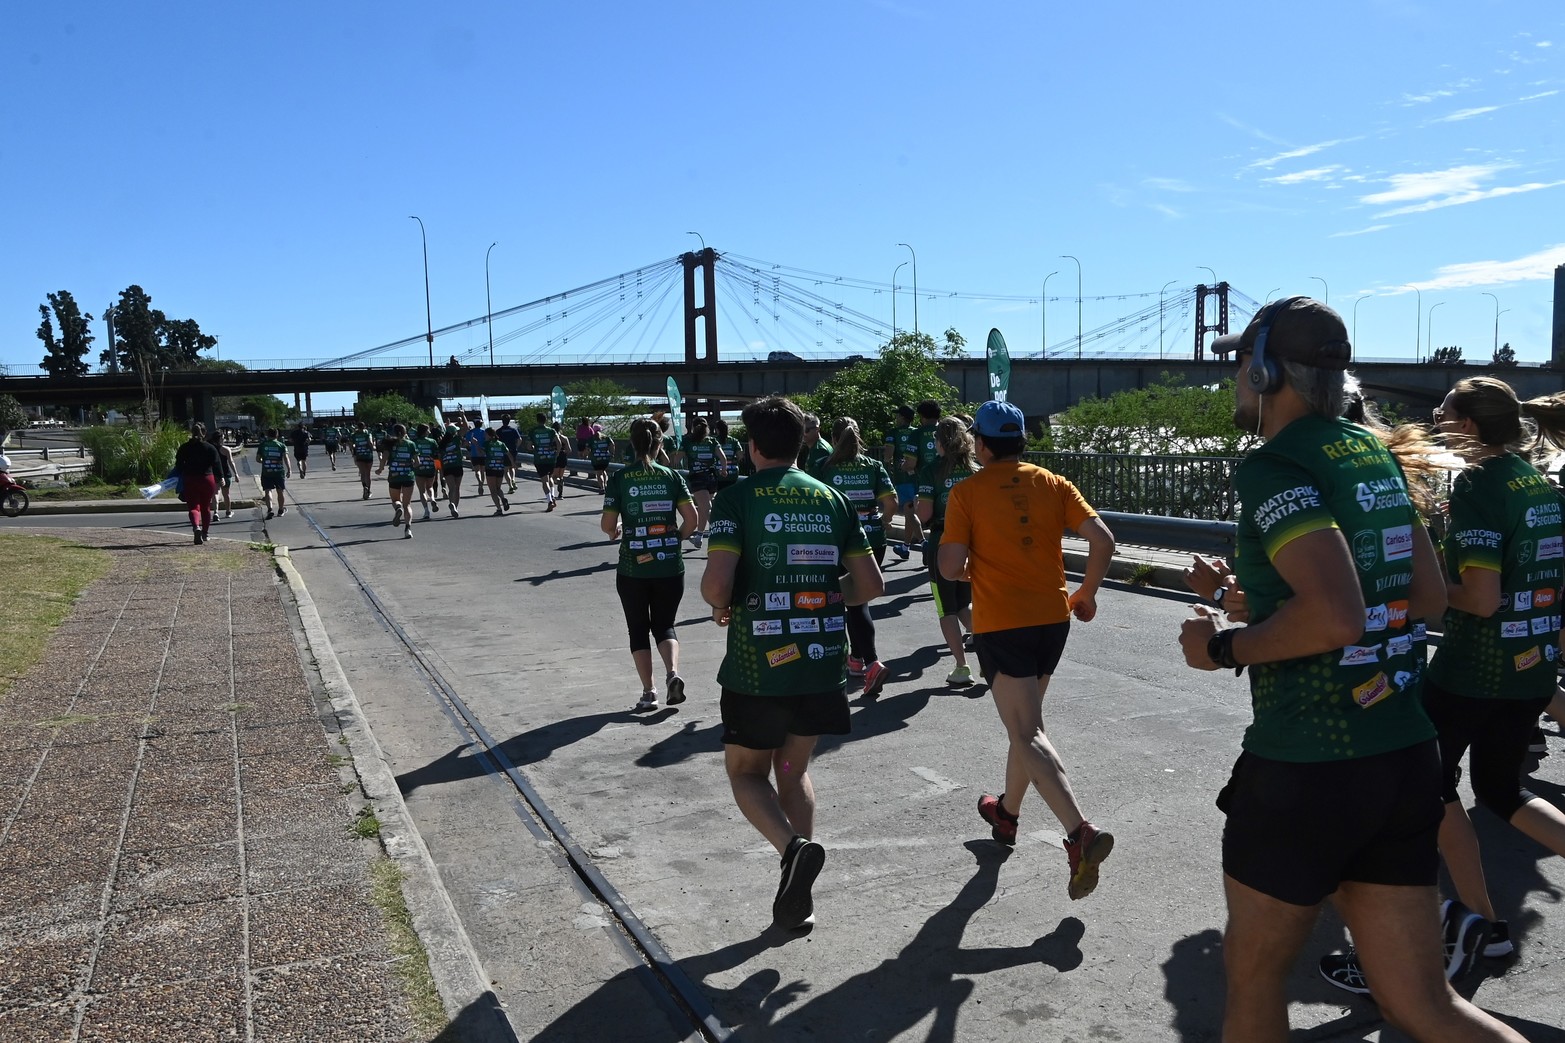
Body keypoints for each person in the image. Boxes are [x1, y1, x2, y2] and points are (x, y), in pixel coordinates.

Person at [1181, 297, 1524, 1042]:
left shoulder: (1274, 466)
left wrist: (1221, 647)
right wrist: (1269, 603)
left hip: (1308, 766)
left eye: (1241, 364)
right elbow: (1428, 596)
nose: (1237, 380)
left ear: (1265, 368)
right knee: (1424, 1005)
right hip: (1402, 756)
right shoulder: (1370, 450)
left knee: (1251, 981)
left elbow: (1333, 614)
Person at [701, 395, 884, 931]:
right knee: (792, 767)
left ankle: (792, 850)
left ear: (751, 446)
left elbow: (717, 584)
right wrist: (820, 596)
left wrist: (723, 603)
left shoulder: (735, 499)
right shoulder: (831, 498)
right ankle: (797, 889)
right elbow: (869, 585)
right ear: (802, 443)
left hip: (758, 667)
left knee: (746, 772)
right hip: (823, 660)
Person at [940, 400, 1116, 899]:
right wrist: (1087, 593)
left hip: (1003, 624)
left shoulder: (967, 492)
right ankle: (1007, 816)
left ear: (981, 443)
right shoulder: (1054, 482)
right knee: (1029, 726)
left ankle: (1080, 832)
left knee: (1026, 730)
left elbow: (950, 567)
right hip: (1052, 620)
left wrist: (973, 567)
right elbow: (1102, 540)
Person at [602, 418, 699, 710]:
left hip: (633, 568)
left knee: (638, 629)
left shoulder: (620, 478)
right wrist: (674, 541)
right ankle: (673, 673)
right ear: (660, 444)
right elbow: (692, 521)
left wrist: (614, 530)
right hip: (670, 566)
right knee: (665, 625)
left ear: (632, 444)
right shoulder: (672, 477)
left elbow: (607, 525)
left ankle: (649, 692)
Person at [814, 417, 898, 697]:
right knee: (858, 600)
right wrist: (882, 523)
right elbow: (891, 503)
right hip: (873, 538)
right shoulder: (873, 466)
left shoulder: (824, 467)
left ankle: (870, 662)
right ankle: (857, 660)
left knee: (850, 603)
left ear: (833, 439)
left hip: (837, 542)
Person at [916, 416, 979, 686]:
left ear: (939, 442)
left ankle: (962, 666)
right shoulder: (976, 470)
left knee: (947, 609)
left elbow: (925, 513)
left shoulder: (931, 471)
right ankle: (990, 657)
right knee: (966, 603)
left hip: (943, 544)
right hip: (974, 545)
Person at [677, 416, 728, 550]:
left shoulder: (688, 440)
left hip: (697, 477)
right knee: (706, 507)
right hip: (711, 477)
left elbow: (677, 459)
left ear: (693, 427)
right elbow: (723, 458)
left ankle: (699, 536)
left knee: (705, 507)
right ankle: (719, 533)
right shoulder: (712, 441)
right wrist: (723, 469)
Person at [884, 404, 921, 561]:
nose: (896, 418)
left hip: (903, 477)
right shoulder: (917, 433)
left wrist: (888, 461)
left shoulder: (893, 433)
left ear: (903, 417)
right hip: (919, 478)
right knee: (909, 513)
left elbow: (888, 455)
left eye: (898, 415)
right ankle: (905, 547)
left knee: (909, 512)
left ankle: (923, 543)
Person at [175, 421, 221, 544]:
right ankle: (205, 534)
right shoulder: (210, 448)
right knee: (206, 507)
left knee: (193, 507)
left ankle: (196, 527)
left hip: (190, 479)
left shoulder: (184, 447)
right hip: (207, 479)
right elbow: (217, 465)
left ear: (191, 432)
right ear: (205, 433)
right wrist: (220, 478)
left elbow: (178, 465)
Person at [377, 423, 417, 538]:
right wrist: (410, 465)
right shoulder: (411, 444)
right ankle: (408, 529)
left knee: (395, 500)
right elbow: (417, 462)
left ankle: (397, 508)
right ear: (405, 433)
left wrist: (380, 469)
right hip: (408, 476)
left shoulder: (389, 445)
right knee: (408, 505)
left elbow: (383, 459)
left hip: (394, 476)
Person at [528, 413, 565, 511]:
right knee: (550, 478)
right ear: (546, 420)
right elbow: (559, 443)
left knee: (544, 481)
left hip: (540, 459)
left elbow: (528, 446)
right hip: (551, 459)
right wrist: (556, 454)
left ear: (537, 420)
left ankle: (549, 501)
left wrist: (533, 448)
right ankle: (552, 495)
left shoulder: (533, 431)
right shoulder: (551, 431)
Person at [256, 427, 292, 519]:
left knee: (268, 491)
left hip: (266, 471)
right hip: (279, 472)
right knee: (280, 491)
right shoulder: (281, 445)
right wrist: (289, 469)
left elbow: (258, 459)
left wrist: (265, 461)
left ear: (267, 435)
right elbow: (286, 458)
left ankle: (270, 509)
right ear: (277, 435)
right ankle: (280, 510)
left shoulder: (263, 445)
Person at [412, 423, 441, 520]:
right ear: (425, 431)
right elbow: (437, 456)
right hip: (430, 467)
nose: (429, 431)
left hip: (419, 468)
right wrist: (438, 468)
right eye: (428, 430)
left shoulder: (414, 442)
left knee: (422, 491)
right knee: (430, 487)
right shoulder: (432, 442)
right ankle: (432, 499)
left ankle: (426, 511)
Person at [484, 427, 515, 515]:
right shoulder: (501, 444)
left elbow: (481, 452)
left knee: (493, 490)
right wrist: (513, 463)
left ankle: (499, 509)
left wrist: (475, 444)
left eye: (485, 434)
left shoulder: (487, 444)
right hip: (500, 468)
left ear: (489, 435)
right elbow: (508, 454)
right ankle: (503, 498)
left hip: (490, 468)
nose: (484, 436)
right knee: (498, 488)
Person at [207, 429, 236, 521]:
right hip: (226, 474)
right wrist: (236, 473)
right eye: (223, 438)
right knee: (226, 493)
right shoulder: (226, 449)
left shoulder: (210, 449)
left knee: (215, 493)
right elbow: (231, 462)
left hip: (215, 474)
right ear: (220, 439)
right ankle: (228, 512)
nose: (224, 439)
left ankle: (216, 512)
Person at [439, 423, 467, 518]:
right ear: (454, 432)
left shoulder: (442, 443)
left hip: (447, 467)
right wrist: (462, 416)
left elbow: (440, 458)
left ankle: (452, 504)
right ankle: (455, 506)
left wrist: (441, 471)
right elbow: (466, 428)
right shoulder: (456, 439)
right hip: (457, 465)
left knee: (452, 488)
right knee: (457, 488)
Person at [714, 419, 745, 488]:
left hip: (718, 472)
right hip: (733, 473)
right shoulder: (734, 441)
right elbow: (740, 456)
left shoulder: (714, 441)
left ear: (717, 430)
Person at [496, 414, 522, 494]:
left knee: (505, 470)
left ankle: (510, 486)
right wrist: (516, 447)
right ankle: (513, 479)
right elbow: (520, 439)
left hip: (503, 452)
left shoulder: (499, 431)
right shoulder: (513, 430)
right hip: (513, 451)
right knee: (512, 467)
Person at [350, 421, 375, 499]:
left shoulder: (354, 435)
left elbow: (351, 445)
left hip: (359, 455)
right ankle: (368, 489)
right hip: (368, 455)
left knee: (362, 472)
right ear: (364, 427)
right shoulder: (368, 434)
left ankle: (364, 486)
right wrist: (373, 447)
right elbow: (370, 443)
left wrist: (354, 451)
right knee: (368, 473)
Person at [588, 425, 615, 494]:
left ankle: (602, 488)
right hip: (605, 458)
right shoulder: (606, 437)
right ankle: (605, 485)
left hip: (596, 458)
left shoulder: (591, 438)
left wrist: (588, 454)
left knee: (599, 473)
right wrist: (612, 453)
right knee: (603, 471)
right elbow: (612, 444)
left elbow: (588, 448)